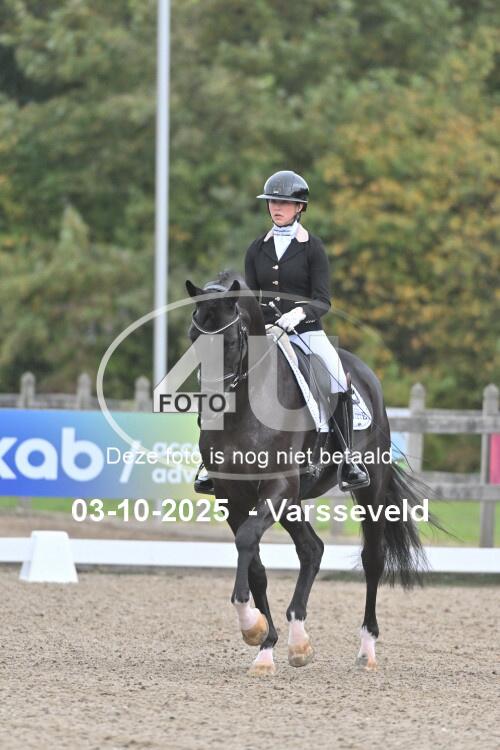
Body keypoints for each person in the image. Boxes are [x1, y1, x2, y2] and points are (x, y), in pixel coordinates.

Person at [194, 170, 369, 494]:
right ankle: (211, 461)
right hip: (266, 332)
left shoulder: (312, 248)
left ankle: (348, 459)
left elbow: (323, 300)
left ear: (299, 207)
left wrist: (299, 313)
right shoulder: (256, 248)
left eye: (285, 203)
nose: (277, 208)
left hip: (306, 331)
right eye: (273, 202)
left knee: (336, 377)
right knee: (223, 373)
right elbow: (252, 298)